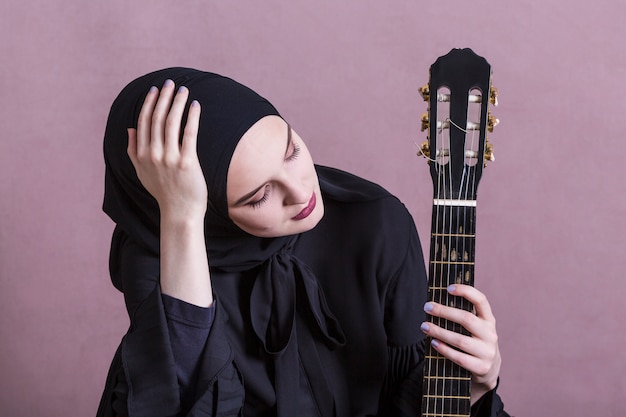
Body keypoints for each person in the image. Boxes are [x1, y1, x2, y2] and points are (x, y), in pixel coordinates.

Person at [97, 68, 509, 417]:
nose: (301, 191)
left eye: (291, 150)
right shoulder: (164, 256)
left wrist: (473, 385)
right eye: (259, 195)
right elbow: (182, 401)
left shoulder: (375, 221)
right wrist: (183, 219)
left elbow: (408, 392)